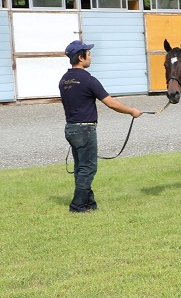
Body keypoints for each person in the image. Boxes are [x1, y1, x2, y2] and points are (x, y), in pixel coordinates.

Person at [58, 40, 144, 213]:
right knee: (88, 168)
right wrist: (131, 111)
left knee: (80, 167)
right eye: (88, 54)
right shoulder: (88, 80)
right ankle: (78, 206)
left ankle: (89, 203)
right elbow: (111, 103)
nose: (91, 56)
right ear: (81, 57)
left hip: (71, 128)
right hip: (85, 129)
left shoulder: (64, 80)